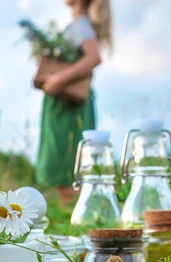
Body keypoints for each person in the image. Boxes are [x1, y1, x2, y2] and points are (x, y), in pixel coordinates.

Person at [34, 0, 112, 205]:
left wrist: (59, 79)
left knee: (68, 164)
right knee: (63, 166)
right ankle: (71, 216)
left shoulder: (81, 25)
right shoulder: (78, 25)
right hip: (63, 105)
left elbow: (94, 57)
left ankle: (76, 216)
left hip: (70, 108)